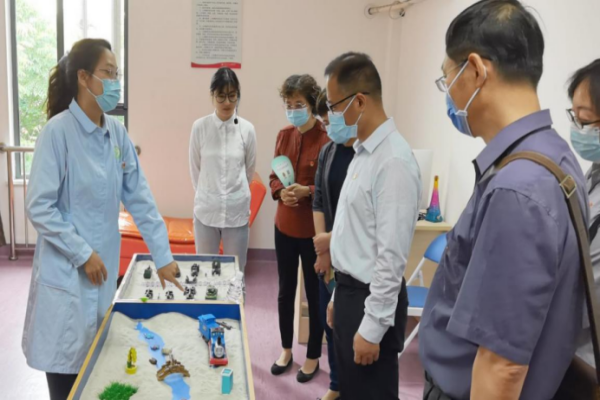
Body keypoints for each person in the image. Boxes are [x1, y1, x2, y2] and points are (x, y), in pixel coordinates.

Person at [419, 1, 589, 399]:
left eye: (448, 79)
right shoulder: (553, 155)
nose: (449, 95)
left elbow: (502, 367)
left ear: (476, 70)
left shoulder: (519, 189)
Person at [22, 39, 182, 400]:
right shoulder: (58, 133)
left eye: (116, 74)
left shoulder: (116, 134)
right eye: (108, 73)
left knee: (98, 378)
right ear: (83, 77)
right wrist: (82, 254)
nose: (115, 83)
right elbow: (40, 206)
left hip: (102, 278)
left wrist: (163, 256)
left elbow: (140, 198)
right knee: (66, 383)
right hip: (66, 277)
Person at [325, 52, 421, 400]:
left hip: (371, 303)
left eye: (334, 107)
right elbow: (356, 234)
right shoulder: (363, 153)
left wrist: (373, 327)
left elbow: (390, 257)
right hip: (350, 294)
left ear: (359, 102)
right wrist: (338, 294)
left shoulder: (393, 161)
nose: (331, 117)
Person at [269, 74, 329, 382]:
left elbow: (330, 188)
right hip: (284, 226)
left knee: (315, 295)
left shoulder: (326, 139)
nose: (293, 110)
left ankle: (313, 356)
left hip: (311, 231)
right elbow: (273, 177)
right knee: (285, 290)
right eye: (288, 104)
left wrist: (307, 191)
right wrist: (281, 192)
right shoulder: (284, 135)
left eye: (299, 104)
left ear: (312, 104)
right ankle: (285, 349)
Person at [189, 67, 257, 272]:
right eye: (221, 96)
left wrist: (232, 195)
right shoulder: (200, 127)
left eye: (232, 95)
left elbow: (249, 170)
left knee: (236, 272)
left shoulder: (247, 129)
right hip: (206, 211)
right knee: (205, 271)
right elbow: (195, 169)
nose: (227, 102)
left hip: (236, 212)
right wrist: (210, 195)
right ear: (212, 95)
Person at [312, 88, 353, 400]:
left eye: (329, 121)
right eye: (323, 123)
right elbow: (318, 201)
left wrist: (332, 242)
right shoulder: (328, 152)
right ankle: (336, 384)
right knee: (329, 325)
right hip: (328, 255)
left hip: (352, 258)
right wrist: (323, 251)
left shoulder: (364, 154)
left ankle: (349, 386)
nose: (327, 128)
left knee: (348, 326)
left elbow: (359, 216)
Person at [568, 59, 600, 371]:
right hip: (575, 351)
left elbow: (592, 288)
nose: (578, 129)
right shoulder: (593, 172)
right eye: (574, 117)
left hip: (589, 354)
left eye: (585, 119)